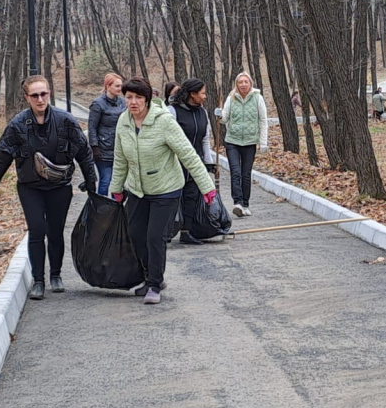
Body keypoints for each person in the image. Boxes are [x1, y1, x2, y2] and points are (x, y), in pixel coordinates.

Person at [0, 75, 96, 300]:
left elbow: (83, 151)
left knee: (55, 231)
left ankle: (55, 275)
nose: (40, 99)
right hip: (30, 187)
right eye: (34, 95)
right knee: (37, 230)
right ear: (27, 97)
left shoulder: (66, 121)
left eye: (43, 93)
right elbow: (3, 155)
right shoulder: (18, 125)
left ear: (49, 94)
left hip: (60, 186)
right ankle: (38, 280)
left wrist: (91, 180)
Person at [109, 77, 217, 304]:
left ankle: (155, 285)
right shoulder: (123, 122)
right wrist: (116, 188)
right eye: (129, 97)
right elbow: (120, 159)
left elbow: (188, 154)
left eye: (139, 97)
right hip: (138, 189)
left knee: (154, 236)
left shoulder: (164, 121)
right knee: (136, 234)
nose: (133, 102)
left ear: (148, 99)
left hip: (166, 189)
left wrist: (207, 186)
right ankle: (150, 276)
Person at [168, 78, 218, 245]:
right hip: (175, 162)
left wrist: (208, 164)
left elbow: (205, 140)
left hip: (196, 163)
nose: (205, 96)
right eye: (202, 93)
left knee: (192, 197)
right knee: (173, 198)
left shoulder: (202, 113)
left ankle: (186, 232)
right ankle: (166, 231)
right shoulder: (172, 112)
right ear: (192, 94)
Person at [220, 72, 268, 218]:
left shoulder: (257, 98)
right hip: (232, 141)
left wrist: (263, 142)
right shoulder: (230, 98)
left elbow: (263, 120)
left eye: (245, 82)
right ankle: (238, 203)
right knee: (235, 171)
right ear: (236, 84)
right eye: (240, 82)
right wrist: (219, 114)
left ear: (250, 83)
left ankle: (246, 203)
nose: (243, 85)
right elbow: (224, 118)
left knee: (245, 174)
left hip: (250, 142)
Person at [87, 73, 126, 197]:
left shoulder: (123, 102)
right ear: (108, 86)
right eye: (117, 86)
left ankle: (116, 209)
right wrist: (95, 146)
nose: (120, 88)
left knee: (119, 183)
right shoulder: (98, 104)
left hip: (120, 148)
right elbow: (92, 127)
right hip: (103, 149)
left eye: (121, 86)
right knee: (106, 180)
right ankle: (102, 209)